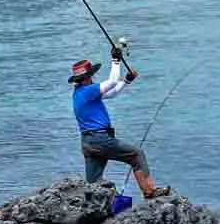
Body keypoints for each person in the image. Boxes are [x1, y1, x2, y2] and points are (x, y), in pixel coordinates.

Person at [68, 47, 171, 198]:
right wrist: (116, 60)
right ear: (87, 77)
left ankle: (99, 212)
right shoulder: (88, 90)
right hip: (100, 140)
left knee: (93, 183)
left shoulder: (80, 93)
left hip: (88, 143)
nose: (94, 77)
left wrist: (126, 81)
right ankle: (150, 192)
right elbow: (112, 82)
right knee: (136, 155)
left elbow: (111, 92)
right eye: (92, 75)